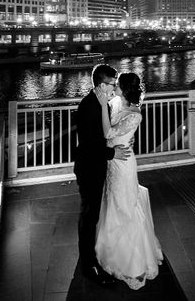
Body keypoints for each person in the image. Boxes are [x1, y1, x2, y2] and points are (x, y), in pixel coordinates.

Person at [95, 73, 164, 289]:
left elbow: (108, 133)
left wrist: (99, 105)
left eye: (117, 85)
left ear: (124, 89)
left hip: (124, 163)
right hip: (112, 162)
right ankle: (113, 249)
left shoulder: (135, 115)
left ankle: (132, 260)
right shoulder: (116, 102)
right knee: (113, 202)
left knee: (125, 205)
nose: (113, 87)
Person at [74, 64, 132, 285]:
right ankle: (89, 265)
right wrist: (113, 152)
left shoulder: (100, 104)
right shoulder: (91, 106)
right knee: (89, 216)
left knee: (92, 214)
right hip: (89, 168)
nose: (114, 87)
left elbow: (104, 133)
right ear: (101, 85)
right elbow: (90, 144)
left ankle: (90, 256)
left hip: (95, 166)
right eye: (112, 84)